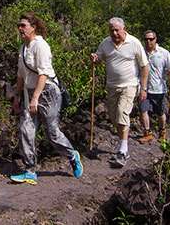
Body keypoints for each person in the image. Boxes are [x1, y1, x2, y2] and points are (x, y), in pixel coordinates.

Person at [10, 12, 83, 185]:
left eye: (24, 25)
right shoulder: (23, 48)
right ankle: (29, 170)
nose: (20, 28)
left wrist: (35, 98)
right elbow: (21, 76)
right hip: (30, 92)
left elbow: (43, 74)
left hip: (47, 92)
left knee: (52, 133)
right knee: (25, 129)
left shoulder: (40, 45)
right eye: (19, 25)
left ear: (33, 27)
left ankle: (72, 155)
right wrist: (16, 97)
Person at [90, 17, 149, 168]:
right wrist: (95, 58)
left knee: (122, 112)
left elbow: (144, 66)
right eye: (111, 30)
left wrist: (143, 88)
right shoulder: (105, 43)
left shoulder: (134, 42)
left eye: (117, 30)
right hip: (111, 86)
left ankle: (123, 150)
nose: (114, 33)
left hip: (129, 85)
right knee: (114, 116)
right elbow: (99, 59)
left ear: (124, 29)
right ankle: (122, 142)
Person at [138, 30, 170, 143]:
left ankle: (162, 131)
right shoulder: (141, 53)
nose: (148, 41)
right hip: (144, 89)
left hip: (159, 89)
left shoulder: (164, 53)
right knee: (143, 110)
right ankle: (147, 133)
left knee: (160, 113)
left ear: (156, 39)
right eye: (146, 39)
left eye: (151, 39)